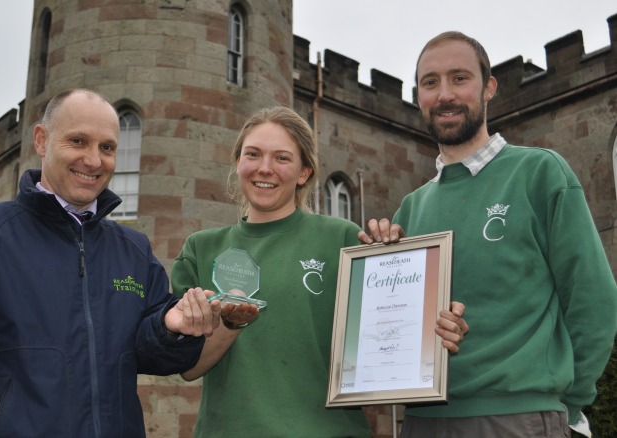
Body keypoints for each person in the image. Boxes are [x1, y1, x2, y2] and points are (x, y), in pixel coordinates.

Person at [0, 89, 221, 437]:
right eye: (78, 141)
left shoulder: (133, 249)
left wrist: (171, 328)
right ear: (41, 141)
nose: (94, 161)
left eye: (107, 147)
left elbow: (154, 358)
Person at [361, 32, 617, 438]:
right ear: (418, 96)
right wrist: (374, 274)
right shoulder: (410, 208)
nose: (444, 94)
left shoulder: (540, 173)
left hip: (519, 418)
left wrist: (566, 402)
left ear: (489, 88)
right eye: (430, 83)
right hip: (422, 423)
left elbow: (594, 300)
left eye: (459, 78)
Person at [171, 106, 468, 437]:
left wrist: (435, 322)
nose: (264, 168)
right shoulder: (200, 248)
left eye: (282, 158)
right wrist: (230, 322)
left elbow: (395, 329)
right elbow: (189, 367)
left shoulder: (342, 238)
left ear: (304, 173)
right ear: (238, 162)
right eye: (253, 154)